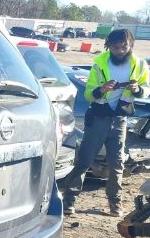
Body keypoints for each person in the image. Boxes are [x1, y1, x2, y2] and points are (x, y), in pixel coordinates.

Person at [61, 29, 149, 217]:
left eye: (123, 46)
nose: (119, 50)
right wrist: (101, 89)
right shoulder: (99, 64)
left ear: (130, 44)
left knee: (116, 164)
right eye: (115, 46)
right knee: (84, 161)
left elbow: (146, 90)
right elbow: (88, 93)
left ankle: (115, 204)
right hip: (98, 118)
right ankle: (69, 201)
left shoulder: (140, 65)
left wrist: (137, 89)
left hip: (120, 120)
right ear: (109, 46)